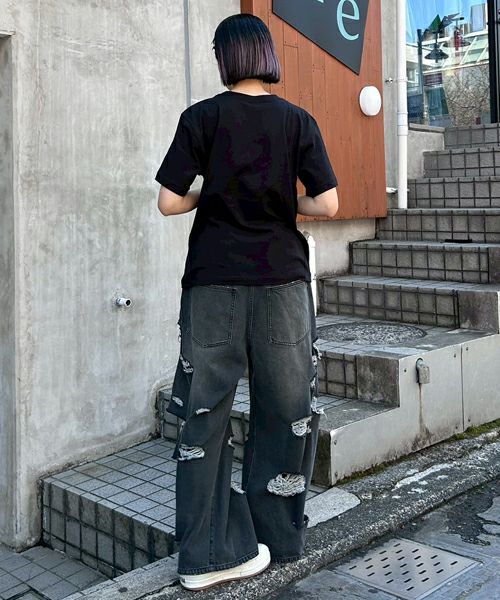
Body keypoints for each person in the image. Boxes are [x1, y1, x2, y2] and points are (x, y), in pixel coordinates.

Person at [154, 12, 339, 592]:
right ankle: (276, 538)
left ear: (224, 58)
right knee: (285, 411)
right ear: (265, 56)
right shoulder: (298, 121)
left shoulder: (200, 118)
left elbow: (169, 202)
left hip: (213, 285)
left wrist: (212, 193)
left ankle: (206, 556)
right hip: (282, 285)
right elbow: (328, 205)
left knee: (204, 416)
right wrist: (282, 201)